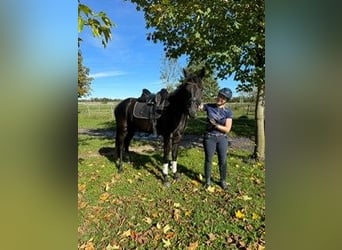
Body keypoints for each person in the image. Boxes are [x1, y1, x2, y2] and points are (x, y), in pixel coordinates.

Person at [201, 88, 233, 190]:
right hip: (209, 137)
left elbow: (227, 129)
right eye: (220, 96)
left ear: (226, 100)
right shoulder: (209, 106)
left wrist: (216, 125)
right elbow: (198, 106)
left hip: (222, 138)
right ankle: (207, 181)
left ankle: (222, 180)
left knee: (223, 160)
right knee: (208, 160)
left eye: (224, 98)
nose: (220, 99)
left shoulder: (228, 112)